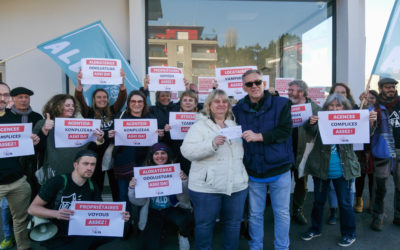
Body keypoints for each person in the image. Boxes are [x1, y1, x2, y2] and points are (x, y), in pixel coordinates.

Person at [301, 93, 376, 247]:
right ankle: (315, 229)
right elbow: (309, 131)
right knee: (318, 202)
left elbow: (366, 134)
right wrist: (311, 123)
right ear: (327, 106)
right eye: (331, 105)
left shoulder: (352, 120)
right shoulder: (320, 119)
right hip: (321, 169)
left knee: (345, 203)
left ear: (344, 107)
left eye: (338, 106)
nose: (334, 109)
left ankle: (349, 233)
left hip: (344, 169)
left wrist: (370, 122)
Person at [232, 70, 293, 250]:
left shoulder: (281, 104)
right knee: (255, 214)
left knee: (281, 213)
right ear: (244, 87)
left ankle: (282, 247)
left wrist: (260, 136)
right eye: (249, 84)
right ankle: (255, 246)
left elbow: (285, 131)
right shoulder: (237, 109)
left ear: (263, 83)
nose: (254, 86)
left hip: (279, 169)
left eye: (257, 82)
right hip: (253, 170)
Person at [181, 89, 249, 250]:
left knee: (233, 225)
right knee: (204, 226)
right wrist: (211, 144)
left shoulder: (235, 125)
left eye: (224, 101)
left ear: (229, 105)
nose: (221, 104)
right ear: (209, 105)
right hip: (206, 187)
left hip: (236, 185)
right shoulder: (199, 126)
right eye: (217, 101)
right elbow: (186, 151)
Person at [28, 149, 130, 249]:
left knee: (122, 228)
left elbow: (100, 213)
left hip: (80, 232)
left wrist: (119, 217)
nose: (89, 168)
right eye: (85, 164)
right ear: (75, 165)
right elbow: (32, 209)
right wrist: (56, 213)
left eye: (93, 164)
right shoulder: (58, 182)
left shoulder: (92, 187)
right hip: (57, 233)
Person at [108, 90, 163, 234]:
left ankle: (141, 227)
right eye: (133, 101)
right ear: (128, 104)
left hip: (144, 163)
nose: (136, 104)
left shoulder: (151, 118)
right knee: (123, 197)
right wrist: (111, 135)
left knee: (142, 196)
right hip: (123, 164)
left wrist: (160, 135)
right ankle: (124, 228)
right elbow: (113, 141)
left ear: (144, 104)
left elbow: (155, 142)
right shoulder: (120, 117)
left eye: (140, 101)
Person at [128, 143, 193, 250]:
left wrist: (184, 181)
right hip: (153, 212)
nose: (160, 156)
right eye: (156, 153)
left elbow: (185, 199)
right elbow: (137, 202)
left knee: (188, 217)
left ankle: (183, 234)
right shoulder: (143, 173)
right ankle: (159, 232)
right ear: (151, 156)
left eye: (163, 153)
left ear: (168, 155)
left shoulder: (176, 171)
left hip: (172, 208)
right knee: (149, 246)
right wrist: (131, 189)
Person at [75, 70, 127, 201]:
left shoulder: (113, 110)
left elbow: (122, 98)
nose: (102, 99)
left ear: (108, 99)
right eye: (98, 97)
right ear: (94, 99)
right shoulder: (89, 112)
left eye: (104, 97)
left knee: (115, 184)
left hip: (112, 153)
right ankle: (96, 209)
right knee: (96, 183)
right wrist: (79, 83)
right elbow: (79, 99)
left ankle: (117, 210)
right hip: (95, 153)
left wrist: (122, 83)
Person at [0, 82, 39, 250]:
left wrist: (35, 141)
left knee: (20, 218)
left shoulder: (22, 119)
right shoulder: (10, 117)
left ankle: (23, 246)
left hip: (19, 178)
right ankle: (9, 238)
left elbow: (28, 146)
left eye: (5, 95)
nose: (2, 99)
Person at [33, 94, 104, 178]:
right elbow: (37, 148)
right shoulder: (43, 123)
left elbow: (89, 150)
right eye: (67, 105)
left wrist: (99, 140)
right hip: (53, 173)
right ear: (56, 106)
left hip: (76, 173)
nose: (71, 108)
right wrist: (44, 130)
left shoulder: (81, 125)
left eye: (73, 106)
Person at [287, 80, 321, 225]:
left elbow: (321, 132)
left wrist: (313, 124)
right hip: (286, 152)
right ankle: (281, 212)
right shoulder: (284, 106)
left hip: (304, 152)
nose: (288, 92)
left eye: (291, 90)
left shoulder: (315, 109)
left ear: (301, 92)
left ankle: (297, 210)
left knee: (301, 184)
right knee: (282, 184)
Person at [369, 77, 400, 231]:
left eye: (393, 87)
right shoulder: (375, 107)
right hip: (383, 152)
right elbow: (367, 131)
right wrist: (371, 121)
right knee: (380, 187)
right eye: (388, 87)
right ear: (380, 88)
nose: (391, 90)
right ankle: (378, 216)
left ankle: (398, 216)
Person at [326, 82, 358, 224]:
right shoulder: (325, 113)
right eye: (336, 92)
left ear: (347, 95)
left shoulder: (355, 111)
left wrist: (370, 122)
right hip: (331, 160)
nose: (339, 95)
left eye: (343, 92)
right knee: (333, 188)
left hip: (348, 159)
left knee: (348, 189)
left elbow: (366, 131)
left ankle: (347, 213)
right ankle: (333, 211)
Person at [9, 87, 43, 198]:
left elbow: (42, 139)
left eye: (26, 97)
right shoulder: (6, 115)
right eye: (20, 97)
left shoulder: (36, 117)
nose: (24, 100)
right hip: (9, 160)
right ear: (13, 99)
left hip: (31, 162)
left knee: (30, 191)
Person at [354, 90, 378, 213]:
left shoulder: (379, 112)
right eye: (366, 98)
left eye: (372, 98)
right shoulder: (359, 110)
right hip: (361, 150)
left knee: (373, 177)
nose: (369, 100)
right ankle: (359, 199)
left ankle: (372, 201)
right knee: (360, 176)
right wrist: (361, 103)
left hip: (374, 150)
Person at [165, 90, 199, 175]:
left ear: (195, 103)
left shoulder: (202, 118)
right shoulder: (173, 119)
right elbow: (168, 142)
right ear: (181, 103)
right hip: (178, 155)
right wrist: (167, 131)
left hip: (196, 156)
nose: (187, 103)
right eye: (185, 100)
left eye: (190, 100)